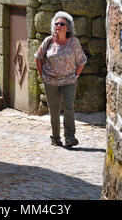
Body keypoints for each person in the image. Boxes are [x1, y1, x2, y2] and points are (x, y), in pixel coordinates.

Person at [34, 11, 87, 147]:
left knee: (69, 108)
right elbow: (38, 57)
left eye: (61, 24)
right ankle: (55, 137)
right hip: (51, 81)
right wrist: (42, 75)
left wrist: (76, 75)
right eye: (56, 23)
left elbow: (82, 60)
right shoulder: (49, 41)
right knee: (54, 110)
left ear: (68, 27)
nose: (58, 26)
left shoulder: (74, 42)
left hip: (69, 81)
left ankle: (70, 137)